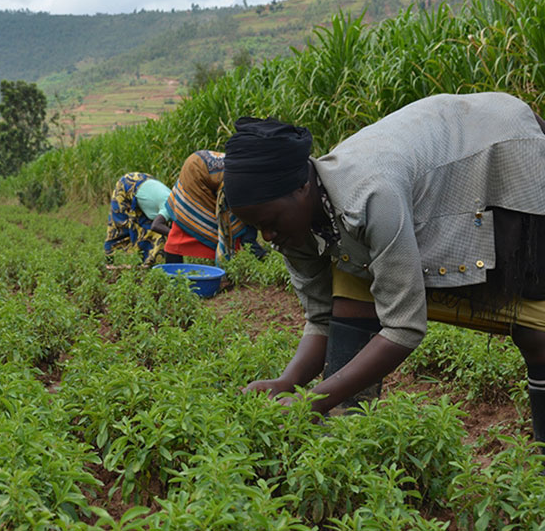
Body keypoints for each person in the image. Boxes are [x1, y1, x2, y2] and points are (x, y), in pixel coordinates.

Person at [223, 92, 545, 449]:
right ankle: (347, 442)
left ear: (302, 189)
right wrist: (288, 382)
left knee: (536, 326)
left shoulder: (371, 195)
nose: (268, 237)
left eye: (270, 222)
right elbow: (322, 318)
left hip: (498, 145)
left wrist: (311, 401)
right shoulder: (291, 227)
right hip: (433, 158)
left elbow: (405, 327)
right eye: (257, 228)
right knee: (350, 297)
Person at [164, 150, 267, 266]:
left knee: (181, 227)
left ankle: (171, 272)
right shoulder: (242, 180)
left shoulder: (247, 173)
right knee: (231, 224)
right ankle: (249, 257)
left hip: (197, 169)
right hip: (197, 177)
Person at [104, 172, 172, 266]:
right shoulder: (170, 206)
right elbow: (156, 226)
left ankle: (147, 265)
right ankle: (111, 263)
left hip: (147, 183)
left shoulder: (181, 205)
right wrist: (177, 236)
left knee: (153, 233)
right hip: (128, 185)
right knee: (119, 228)